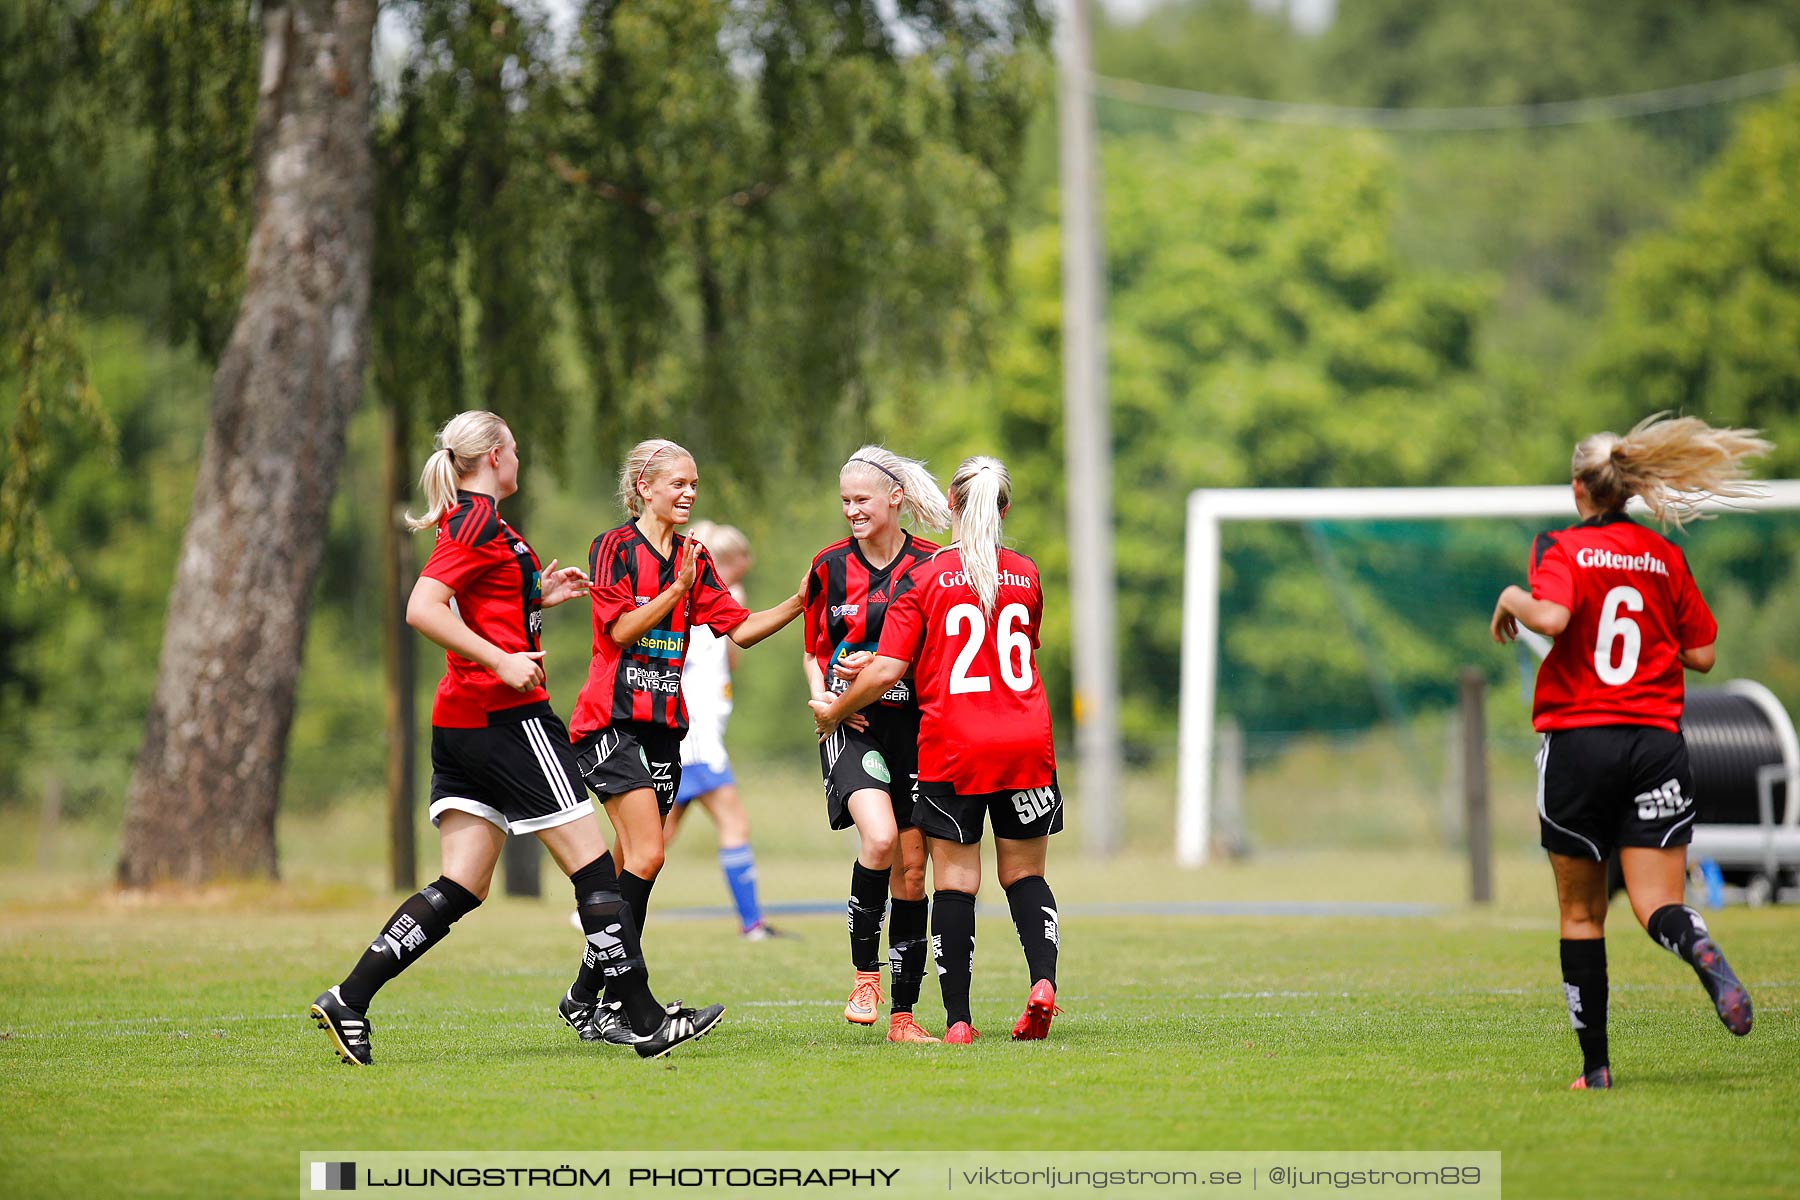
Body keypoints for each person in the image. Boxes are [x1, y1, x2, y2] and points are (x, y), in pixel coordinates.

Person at [309, 412, 722, 1065]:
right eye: (517, 449)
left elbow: (479, 600)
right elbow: (424, 606)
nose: (520, 459)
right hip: (509, 719)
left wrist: (539, 598)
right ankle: (643, 1020)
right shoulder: (474, 518)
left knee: (462, 884)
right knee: (596, 872)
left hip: (462, 723)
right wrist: (501, 661)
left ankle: (349, 998)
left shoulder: (481, 522)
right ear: (497, 455)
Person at [1490, 413, 1767, 1090]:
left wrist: (1509, 598)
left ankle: (1597, 1070)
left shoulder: (1561, 545)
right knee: (1655, 904)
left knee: (1582, 913)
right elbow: (1701, 653)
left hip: (1581, 740)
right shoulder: (1664, 557)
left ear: (1580, 489)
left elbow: (1552, 619)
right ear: (1629, 489)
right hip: (1656, 743)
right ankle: (1697, 944)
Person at [813, 455, 1062, 1045]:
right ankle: (1043, 981)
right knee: (1025, 875)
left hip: (955, 744)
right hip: (1027, 740)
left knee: (955, 881)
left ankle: (957, 1021)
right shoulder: (1025, 573)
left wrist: (837, 711)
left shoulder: (922, 578)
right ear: (1003, 509)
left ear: (951, 505)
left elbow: (888, 670)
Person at [567, 438, 804, 1044]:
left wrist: (801, 601)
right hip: (611, 722)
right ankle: (636, 1009)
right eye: (678, 483)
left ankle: (588, 996)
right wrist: (675, 592)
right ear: (644, 486)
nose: (689, 493)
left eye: (694, 483)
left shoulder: (695, 554)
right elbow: (618, 630)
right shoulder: (613, 547)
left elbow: (742, 630)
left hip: (666, 731)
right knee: (647, 855)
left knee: (633, 865)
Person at [801, 447, 952, 1043]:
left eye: (861, 499)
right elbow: (814, 650)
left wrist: (887, 670)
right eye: (844, 501)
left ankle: (904, 1018)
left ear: (894, 498)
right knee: (883, 839)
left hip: (914, 730)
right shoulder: (829, 566)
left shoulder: (933, 565)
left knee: (913, 873)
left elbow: (938, 653)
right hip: (851, 728)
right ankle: (865, 977)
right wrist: (827, 704)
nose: (851, 511)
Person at [662, 521, 783, 940]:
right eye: (736, 569)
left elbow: (728, 662)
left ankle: (597, 905)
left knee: (654, 838)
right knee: (734, 824)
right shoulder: (705, 604)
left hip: (699, 731)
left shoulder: (710, 603)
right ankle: (751, 924)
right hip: (696, 736)